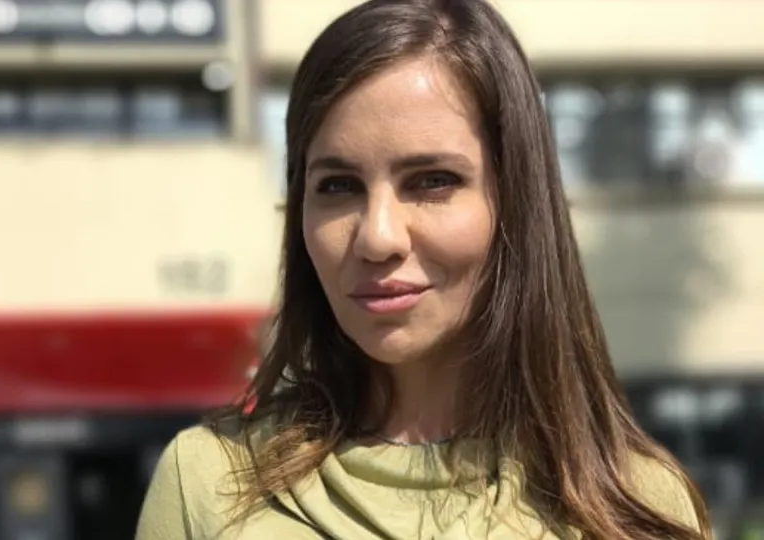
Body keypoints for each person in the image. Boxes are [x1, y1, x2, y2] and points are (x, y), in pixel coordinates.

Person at [136, 0, 711, 538]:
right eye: (337, 186)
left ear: (515, 201)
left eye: (432, 181)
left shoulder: (638, 507)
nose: (378, 237)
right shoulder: (207, 484)